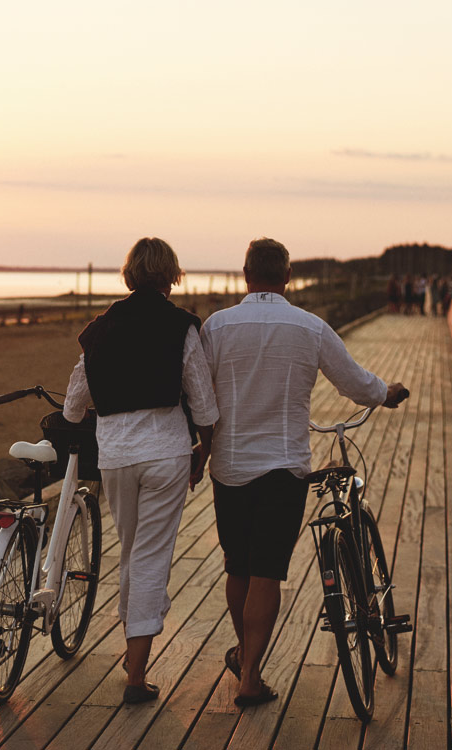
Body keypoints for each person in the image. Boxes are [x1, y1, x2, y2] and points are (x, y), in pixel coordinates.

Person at [202, 238, 407, 708]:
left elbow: (198, 390)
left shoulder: (217, 326)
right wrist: (387, 393)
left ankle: (247, 659)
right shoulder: (309, 327)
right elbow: (355, 383)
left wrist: (200, 444)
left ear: (246, 275)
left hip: (229, 465)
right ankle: (249, 675)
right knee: (267, 572)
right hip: (283, 467)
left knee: (238, 567)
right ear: (288, 277)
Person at [63, 237, 219, 705]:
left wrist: (84, 415)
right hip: (166, 454)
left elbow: (73, 403)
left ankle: (133, 654)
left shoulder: (100, 328)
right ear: (171, 275)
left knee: (132, 551)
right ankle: (136, 674)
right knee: (149, 557)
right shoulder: (180, 325)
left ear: (130, 274)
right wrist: (205, 449)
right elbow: (203, 403)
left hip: (115, 457)